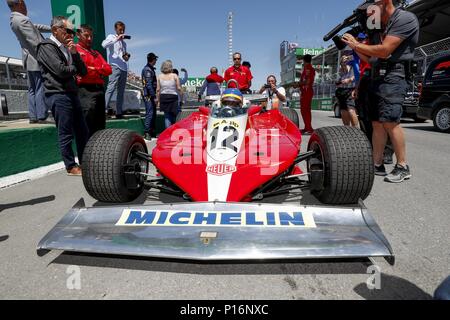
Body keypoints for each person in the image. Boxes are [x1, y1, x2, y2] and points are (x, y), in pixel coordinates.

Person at [343, 0, 419, 183]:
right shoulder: (377, 26)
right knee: (377, 122)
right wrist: (352, 46)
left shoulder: (405, 18)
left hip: (395, 75)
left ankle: (402, 166)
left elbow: (384, 51)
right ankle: (377, 164)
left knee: (390, 121)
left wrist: (355, 45)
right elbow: (371, 58)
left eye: (370, 9)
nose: (368, 14)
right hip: (378, 74)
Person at [36, 16, 89, 176]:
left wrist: (75, 54)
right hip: (57, 94)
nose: (71, 35)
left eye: (73, 32)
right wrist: (74, 66)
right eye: (67, 31)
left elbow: (83, 71)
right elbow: (61, 71)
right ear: (55, 30)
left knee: (82, 131)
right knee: (65, 132)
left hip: (72, 93)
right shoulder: (46, 46)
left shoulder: (68, 48)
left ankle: (85, 162)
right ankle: (70, 166)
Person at [8, 0, 51, 124]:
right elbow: (35, 42)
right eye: (24, 3)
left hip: (28, 59)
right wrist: (48, 53)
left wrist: (52, 28)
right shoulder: (22, 20)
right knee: (40, 87)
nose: (26, 6)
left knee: (32, 89)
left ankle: (33, 115)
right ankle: (41, 115)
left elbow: (34, 27)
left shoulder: (15, 20)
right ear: (19, 3)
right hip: (35, 58)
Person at [76, 24, 112, 137]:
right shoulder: (75, 50)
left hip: (99, 90)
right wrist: (99, 70)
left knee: (100, 124)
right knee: (87, 123)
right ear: (78, 35)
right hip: (85, 91)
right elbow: (84, 71)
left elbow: (109, 69)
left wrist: (94, 69)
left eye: (91, 36)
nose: (89, 39)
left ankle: (98, 150)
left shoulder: (96, 53)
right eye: (86, 35)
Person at [102, 21, 130, 119]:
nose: (122, 31)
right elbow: (103, 45)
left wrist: (126, 57)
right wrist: (116, 39)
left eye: (123, 30)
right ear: (115, 29)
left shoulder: (124, 43)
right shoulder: (111, 37)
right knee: (111, 87)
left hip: (124, 67)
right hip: (114, 65)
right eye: (120, 29)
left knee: (121, 91)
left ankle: (119, 112)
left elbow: (123, 55)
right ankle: (103, 110)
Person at [157, 60, 183, 128]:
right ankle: (174, 131)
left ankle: (168, 133)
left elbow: (158, 90)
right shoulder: (174, 76)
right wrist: (181, 97)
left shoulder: (159, 76)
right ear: (170, 67)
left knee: (167, 116)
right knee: (175, 116)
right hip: (173, 97)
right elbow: (179, 88)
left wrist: (158, 101)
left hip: (163, 97)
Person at [336, 54, 359, 127]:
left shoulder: (353, 67)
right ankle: (347, 129)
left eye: (345, 61)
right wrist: (339, 82)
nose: (344, 62)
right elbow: (337, 81)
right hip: (342, 90)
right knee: (343, 111)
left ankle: (355, 129)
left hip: (351, 90)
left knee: (351, 110)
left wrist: (349, 79)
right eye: (342, 61)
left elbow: (358, 74)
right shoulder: (341, 70)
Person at [141, 52, 158, 140]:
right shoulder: (148, 69)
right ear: (153, 60)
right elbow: (148, 84)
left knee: (153, 113)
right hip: (148, 95)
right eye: (155, 59)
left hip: (150, 94)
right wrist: (154, 96)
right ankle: (147, 132)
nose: (156, 61)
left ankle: (151, 131)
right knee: (150, 113)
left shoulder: (150, 69)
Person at [299, 54, 315, 134]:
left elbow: (307, 81)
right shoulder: (306, 69)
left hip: (307, 92)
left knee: (306, 110)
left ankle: (309, 128)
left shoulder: (309, 69)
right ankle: (307, 127)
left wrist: (298, 84)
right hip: (304, 92)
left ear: (304, 60)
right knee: (303, 110)